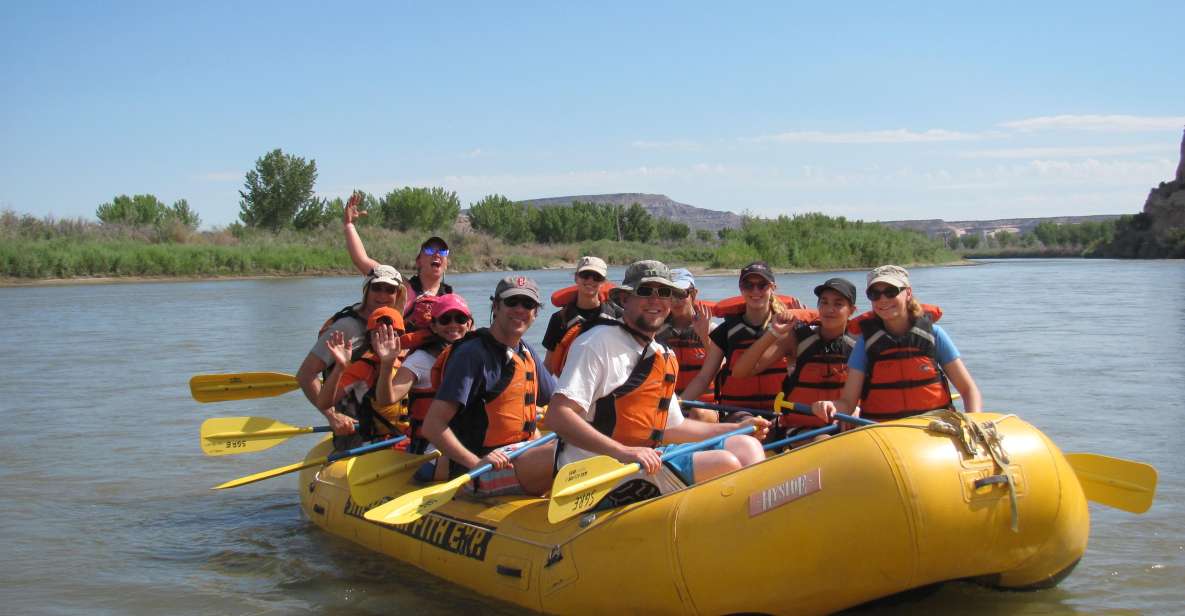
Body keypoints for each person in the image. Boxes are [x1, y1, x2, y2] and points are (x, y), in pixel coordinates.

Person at [544, 260, 770, 503]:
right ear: (624, 300)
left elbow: (671, 428)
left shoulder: (663, 354)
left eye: (663, 293)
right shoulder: (597, 343)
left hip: (644, 459)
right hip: (601, 470)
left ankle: (754, 521)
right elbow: (558, 415)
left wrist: (735, 429)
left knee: (747, 445)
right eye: (645, 291)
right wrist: (624, 451)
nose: (655, 300)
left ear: (671, 303)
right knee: (724, 463)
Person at [418, 276, 557, 496]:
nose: (520, 309)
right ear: (496, 306)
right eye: (512, 302)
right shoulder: (472, 354)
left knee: (587, 439)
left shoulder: (526, 352)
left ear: (535, 312)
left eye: (527, 304)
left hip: (520, 452)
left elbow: (559, 404)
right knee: (570, 453)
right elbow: (432, 425)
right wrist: (475, 463)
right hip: (479, 468)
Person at [812, 265, 982, 424]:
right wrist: (831, 406)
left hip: (933, 430)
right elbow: (847, 403)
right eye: (875, 294)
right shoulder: (865, 343)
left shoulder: (935, 335)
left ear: (908, 293)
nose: (883, 299)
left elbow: (968, 390)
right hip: (885, 433)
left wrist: (972, 423)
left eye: (891, 292)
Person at [732, 278, 859, 443]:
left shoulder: (860, 344)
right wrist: (774, 333)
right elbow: (740, 372)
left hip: (845, 424)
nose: (829, 309)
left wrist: (855, 408)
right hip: (800, 428)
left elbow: (868, 392)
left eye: (838, 304)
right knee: (822, 440)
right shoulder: (796, 339)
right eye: (824, 302)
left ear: (852, 310)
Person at [296, 265, 407, 437]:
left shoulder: (396, 324)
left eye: (390, 290)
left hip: (390, 429)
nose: (383, 296)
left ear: (398, 294)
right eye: (376, 288)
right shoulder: (346, 327)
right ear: (366, 290)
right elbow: (306, 374)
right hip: (353, 428)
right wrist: (333, 416)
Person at [680, 261, 796, 420]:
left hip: (778, 412)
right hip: (737, 414)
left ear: (773, 288)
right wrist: (678, 403)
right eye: (748, 285)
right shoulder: (726, 331)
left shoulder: (788, 329)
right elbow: (704, 377)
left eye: (762, 285)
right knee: (747, 423)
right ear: (741, 289)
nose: (755, 291)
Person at [374, 293, 473, 457]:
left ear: (468, 324)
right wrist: (387, 364)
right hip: (431, 449)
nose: (453, 324)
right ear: (433, 326)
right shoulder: (419, 360)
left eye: (460, 319)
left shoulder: (476, 357)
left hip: (467, 441)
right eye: (445, 319)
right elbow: (386, 399)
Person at [341, 192, 453, 323]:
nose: (437, 254)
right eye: (430, 250)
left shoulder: (451, 299)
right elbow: (362, 260)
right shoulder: (400, 286)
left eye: (443, 251)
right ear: (418, 261)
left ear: (447, 264)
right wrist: (349, 225)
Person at [317, 307, 406, 450]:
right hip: (377, 442)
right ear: (369, 339)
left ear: (401, 336)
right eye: (378, 335)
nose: (385, 341)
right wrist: (340, 367)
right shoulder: (363, 368)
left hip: (408, 438)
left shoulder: (412, 360)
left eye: (390, 334)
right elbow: (323, 403)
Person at [542, 256, 620, 370]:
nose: (590, 280)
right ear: (576, 278)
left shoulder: (618, 316)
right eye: (585, 275)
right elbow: (548, 365)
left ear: (603, 282)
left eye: (597, 277)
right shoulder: (559, 319)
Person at [653, 268, 718, 405]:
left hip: (705, 408)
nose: (675, 300)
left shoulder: (713, 330)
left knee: (699, 413)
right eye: (669, 294)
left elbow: (721, 370)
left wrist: (705, 338)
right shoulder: (655, 332)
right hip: (667, 406)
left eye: (681, 294)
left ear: (693, 294)